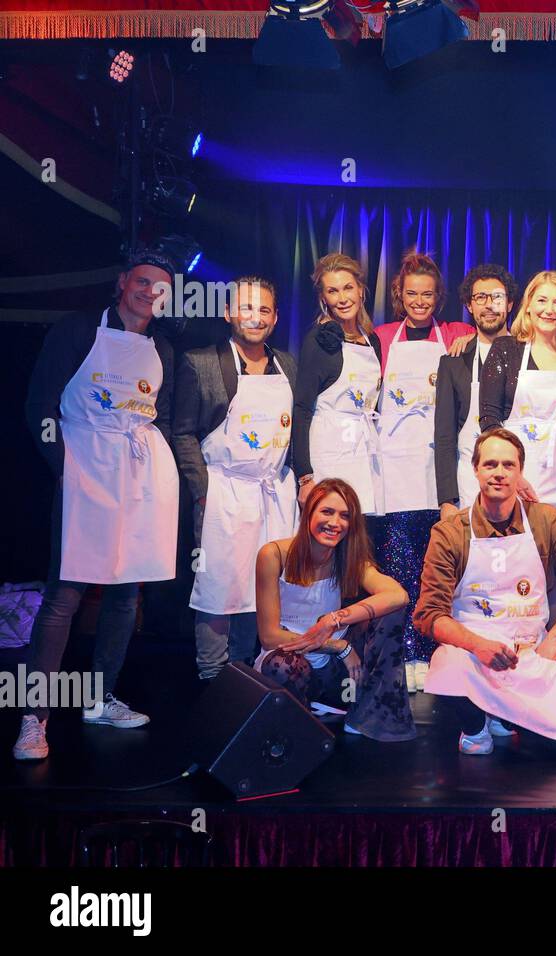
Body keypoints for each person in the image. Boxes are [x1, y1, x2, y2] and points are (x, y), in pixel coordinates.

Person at [14, 248, 180, 761]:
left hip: (138, 475)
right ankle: (33, 719)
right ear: (122, 282)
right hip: (84, 467)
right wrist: (65, 467)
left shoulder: (164, 349)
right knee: (64, 596)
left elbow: (163, 417)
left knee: (125, 595)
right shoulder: (78, 329)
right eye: (142, 281)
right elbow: (40, 405)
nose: (149, 291)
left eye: (160, 286)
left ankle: (99, 697)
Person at [416, 429, 556, 756]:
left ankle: (505, 719)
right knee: (447, 663)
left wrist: (554, 640)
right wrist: (478, 646)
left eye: (509, 465)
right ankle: (476, 728)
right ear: (475, 471)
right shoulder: (450, 533)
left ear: (520, 473)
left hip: (532, 654)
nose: (499, 472)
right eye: (490, 464)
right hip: (473, 654)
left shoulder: (546, 520)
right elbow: (428, 615)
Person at [174, 276, 298, 681]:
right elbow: (183, 432)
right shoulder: (201, 361)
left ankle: (248, 674)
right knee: (219, 586)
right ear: (229, 312)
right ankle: (212, 676)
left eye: (264, 310)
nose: (255, 317)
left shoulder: (288, 364)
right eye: (246, 308)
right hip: (224, 490)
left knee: (263, 586)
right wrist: (203, 490)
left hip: (273, 491)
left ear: (275, 318)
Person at [370, 252, 474, 663]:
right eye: (411, 293)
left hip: (438, 469)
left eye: (427, 294)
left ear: (438, 296)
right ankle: (406, 655)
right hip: (393, 466)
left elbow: (488, 340)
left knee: (438, 566)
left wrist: (468, 343)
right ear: (399, 294)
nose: (419, 301)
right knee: (399, 565)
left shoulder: (454, 333)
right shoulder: (380, 337)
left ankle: (438, 652)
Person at [253, 478, 415, 740]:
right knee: (281, 665)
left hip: (338, 670)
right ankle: (298, 727)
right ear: (309, 513)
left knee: (389, 611)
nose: (335, 523)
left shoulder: (350, 559)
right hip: (294, 660)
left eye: (344, 516)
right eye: (327, 512)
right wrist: (338, 646)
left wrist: (335, 619)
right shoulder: (273, 555)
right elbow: (269, 636)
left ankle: (365, 713)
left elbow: (398, 595)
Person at [479, 270, 556, 534]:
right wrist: (512, 476)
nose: (549, 310)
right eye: (542, 300)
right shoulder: (506, 350)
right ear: (529, 305)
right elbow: (488, 419)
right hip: (517, 480)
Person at [292, 253, 384, 515]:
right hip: (329, 453)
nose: (342, 299)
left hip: (363, 452)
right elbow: (302, 409)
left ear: (361, 290)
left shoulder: (372, 340)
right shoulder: (318, 341)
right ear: (324, 299)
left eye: (348, 288)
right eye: (333, 291)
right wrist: (306, 477)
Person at [435, 263, 518, 519]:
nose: (489, 305)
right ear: (469, 306)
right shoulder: (453, 360)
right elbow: (445, 435)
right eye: (480, 297)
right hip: (469, 481)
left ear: (510, 304)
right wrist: (447, 499)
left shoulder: (528, 353)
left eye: (497, 297)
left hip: (520, 475)